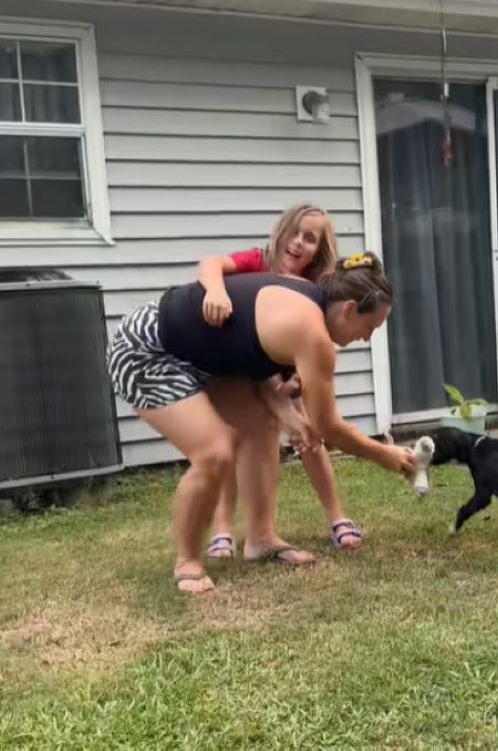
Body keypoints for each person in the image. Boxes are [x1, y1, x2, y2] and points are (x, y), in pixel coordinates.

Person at [107, 253, 415, 594]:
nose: (368, 337)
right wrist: (385, 454)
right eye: (370, 327)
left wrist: (288, 414)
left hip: (202, 358)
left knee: (262, 428)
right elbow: (329, 427)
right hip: (147, 350)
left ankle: (261, 539)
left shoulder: (310, 299)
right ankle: (188, 562)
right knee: (215, 451)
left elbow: (245, 344)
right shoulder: (311, 332)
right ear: (347, 309)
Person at [197, 205, 364, 558]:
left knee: (309, 433)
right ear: (281, 232)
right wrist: (215, 290)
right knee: (232, 440)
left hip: (280, 374)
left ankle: (337, 517)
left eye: (310, 239)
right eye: (295, 233)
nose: (299, 243)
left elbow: (315, 348)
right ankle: (223, 528)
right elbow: (212, 263)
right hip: (238, 370)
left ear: (319, 250)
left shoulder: (314, 288)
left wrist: (297, 385)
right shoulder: (256, 262)